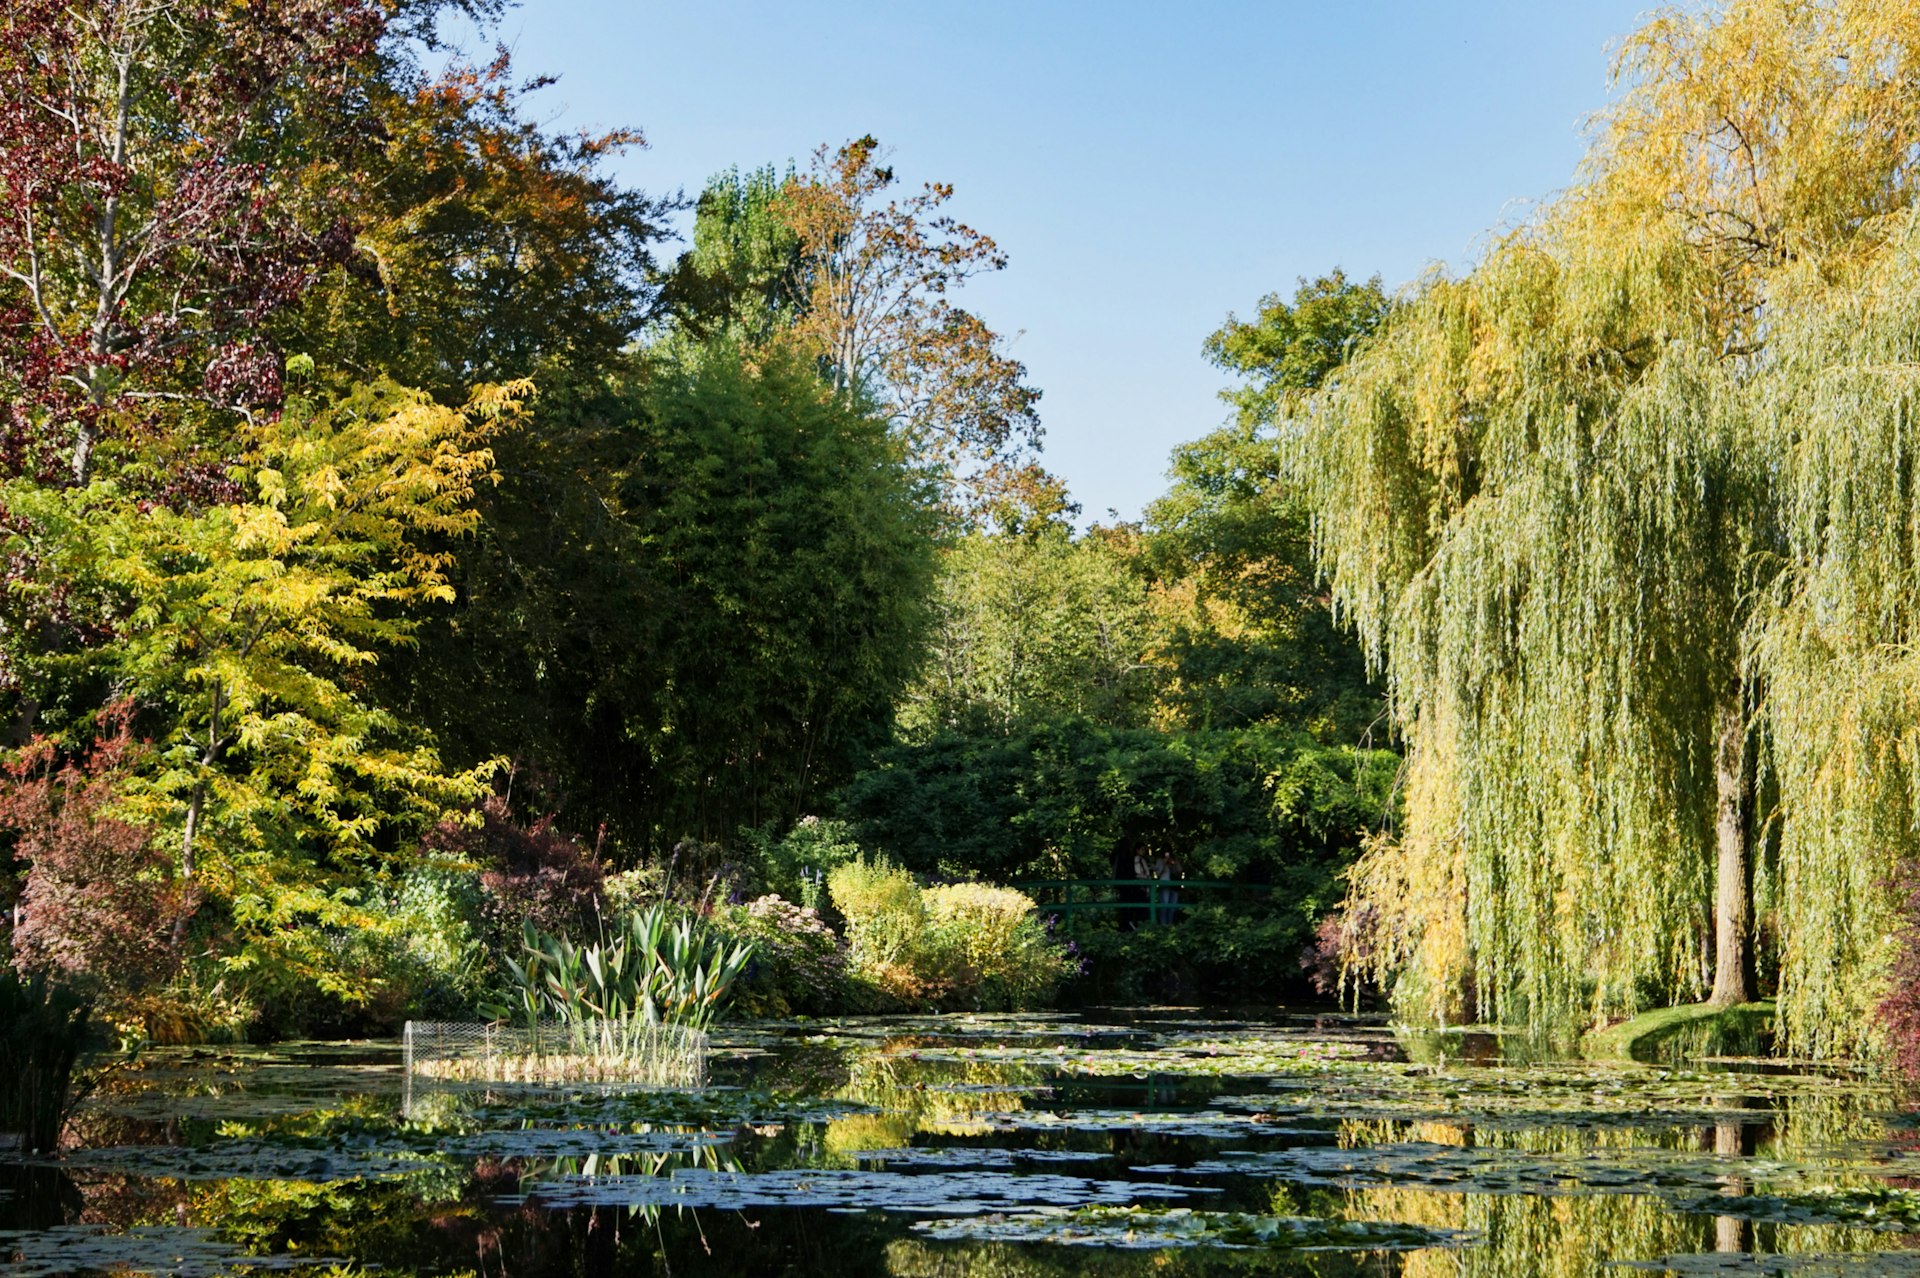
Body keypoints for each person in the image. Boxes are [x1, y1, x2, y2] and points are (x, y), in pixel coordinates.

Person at [1153, 848, 1183, 926]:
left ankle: (1170, 924)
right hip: (1165, 884)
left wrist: (1173, 864)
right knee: (1164, 905)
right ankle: (1163, 925)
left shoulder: (1174, 860)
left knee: (1173, 906)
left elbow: (1180, 871)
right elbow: (1158, 873)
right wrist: (1164, 863)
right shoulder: (1160, 860)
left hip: (1174, 884)